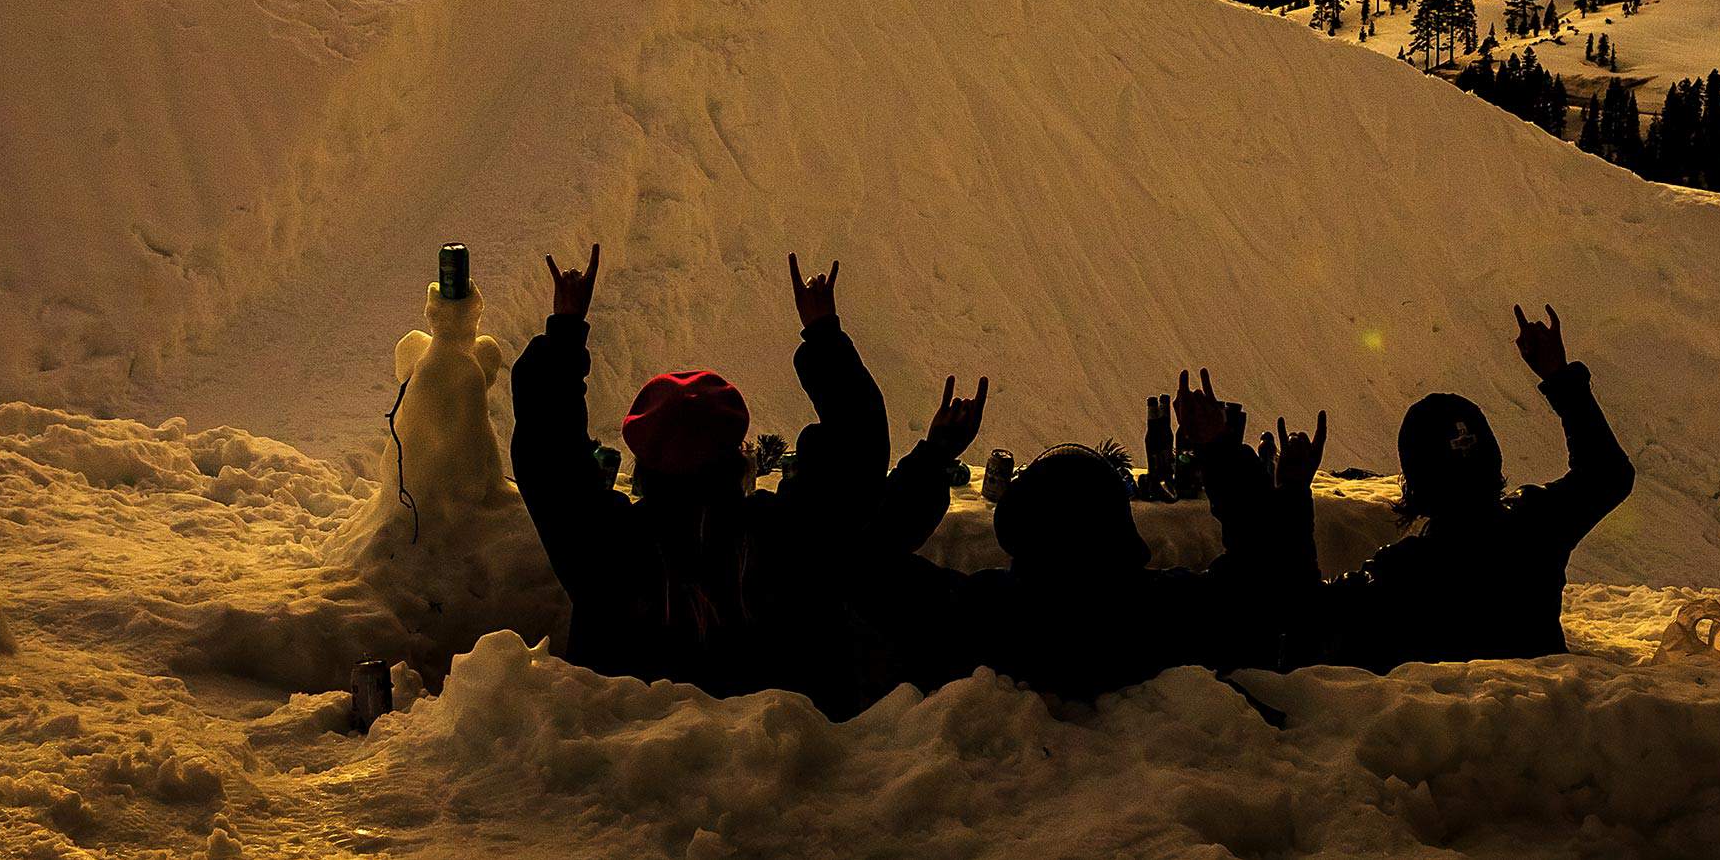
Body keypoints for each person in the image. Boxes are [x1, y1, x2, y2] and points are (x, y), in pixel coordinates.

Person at [508, 245, 899, 717]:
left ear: (644, 466)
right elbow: (856, 449)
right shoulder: (786, 539)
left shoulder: (608, 551)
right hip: (781, 774)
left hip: (635, 775)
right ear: (738, 459)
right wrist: (823, 334)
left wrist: (566, 331)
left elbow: (547, 455)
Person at [867, 371, 1318, 701]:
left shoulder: (980, 615)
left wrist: (936, 455)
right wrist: (1222, 452)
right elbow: (1271, 581)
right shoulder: (1165, 615)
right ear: (1119, 527)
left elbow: (869, 559)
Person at [1297, 305, 1633, 668]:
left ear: (1413, 483)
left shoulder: (1399, 577)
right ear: (1495, 464)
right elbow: (1607, 474)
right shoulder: (1536, 528)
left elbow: (1303, 615)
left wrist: (1291, 493)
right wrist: (1559, 377)